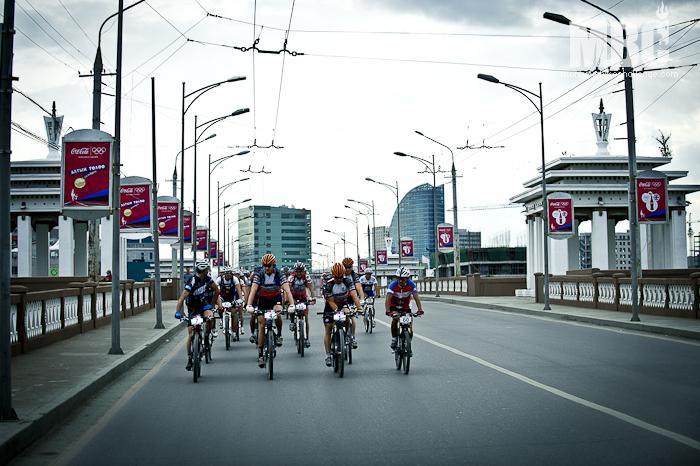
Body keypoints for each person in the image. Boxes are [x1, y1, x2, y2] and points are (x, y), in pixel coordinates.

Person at [246, 254, 295, 368]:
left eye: (269, 266)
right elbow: (253, 290)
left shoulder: (279, 274)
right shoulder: (260, 274)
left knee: (278, 314)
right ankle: (261, 354)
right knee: (262, 325)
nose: (267, 268)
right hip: (263, 300)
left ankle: (279, 335)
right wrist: (249, 305)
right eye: (265, 265)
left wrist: (292, 304)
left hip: (275, 299)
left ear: (274, 265)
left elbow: (287, 290)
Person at [175, 261, 221, 371]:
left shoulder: (208, 279)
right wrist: (178, 312)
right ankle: (190, 358)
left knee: (210, 317)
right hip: (192, 308)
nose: (204, 273)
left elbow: (217, 290)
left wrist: (212, 305)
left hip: (204, 306)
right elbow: (182, 297)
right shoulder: (192, 281)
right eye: (204, 272)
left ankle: (206, 336)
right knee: (191, 334)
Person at [322, 263, 362, 367]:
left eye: (340, 277)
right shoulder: (329, 285)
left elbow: (354, 295)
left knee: (348, 316)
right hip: (331, 306)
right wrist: (337, 311)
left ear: (343, 275)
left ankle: (346, 335)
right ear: (333, 275)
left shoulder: (347, 281)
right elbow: (330, 301)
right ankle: (328, 355)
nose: (339, 279)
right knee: (328, 328)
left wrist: (359, 308)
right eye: (336, 277)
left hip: (343, 303)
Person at [385, 266, 424, 350]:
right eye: (398, 278)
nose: (400, 280)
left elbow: (416, 298)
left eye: (403, 278)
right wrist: (388, 311)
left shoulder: (411, 284)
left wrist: (420, 309)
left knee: (409, 323)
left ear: (407, 278)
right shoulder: (393, 285)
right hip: (394, 305)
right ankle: (394, 338)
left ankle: (407, 342)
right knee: (395, 319)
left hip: (405, 306)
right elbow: (388, 299)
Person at [287, 261, 316, 348]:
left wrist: (313, 297)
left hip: (303, 297)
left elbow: (310, 287)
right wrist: (288, 300)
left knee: (306, 318)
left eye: (301, 271)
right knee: (291, 308)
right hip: (294, 297)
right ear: (294, 271)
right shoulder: (291, 277)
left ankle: (307, 338)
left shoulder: (306, 276)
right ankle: (292, 321)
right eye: (297, 271)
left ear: (304, 271)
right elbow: (288, 290)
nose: (299, 273)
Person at [341, 257, 363, 348]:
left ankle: (353, 337)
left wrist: (361, 299)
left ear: (352, 267)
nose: (347, 269)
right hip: (341, 298)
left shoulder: (354, 275)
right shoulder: (339, 274)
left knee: (351, 317)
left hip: (351, 298)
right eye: (345, 267)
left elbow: (359, 287)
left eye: (349, 267)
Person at [216, 267, 244, 337]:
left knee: (234, 313)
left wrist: (241, 299)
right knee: (219, 309)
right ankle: (222, 320)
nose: (228, 274)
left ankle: (234, 331)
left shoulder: (235, 279)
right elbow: (216, 291)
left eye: (230, 273)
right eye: (226, 273)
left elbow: (238, 290)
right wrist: (217, 301)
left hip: (231, 298)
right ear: (224, 274)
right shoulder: (219, 279)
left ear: (232, 273)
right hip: (222, 297)